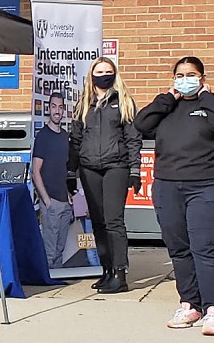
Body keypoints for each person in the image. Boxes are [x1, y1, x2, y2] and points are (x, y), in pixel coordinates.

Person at [134, 56, 214, 335]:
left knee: (204, 248)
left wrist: (206, 96)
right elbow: (142, 124)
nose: (185, 79)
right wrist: (168, 97)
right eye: (180, 74)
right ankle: (190, 304)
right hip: (168, 186)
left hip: (207, 186)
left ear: (202, 77)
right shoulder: (168, 107)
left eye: (191, 74)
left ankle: (213, 310)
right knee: (178, 248)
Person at [69, 56, 142, 294]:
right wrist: (71, 171)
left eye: (108, 71)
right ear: (92, 75)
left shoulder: (123, 101)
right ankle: (107, 270)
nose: (103, 75)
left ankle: (120, 274)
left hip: (116, 166)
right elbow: (75, 139)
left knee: (114, 221)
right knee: (97, 222)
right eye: (99, 71)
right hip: (89, 167)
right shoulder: (83, 104)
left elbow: (133, 138)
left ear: (114, 74)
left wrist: (135, 170)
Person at [32, 91, 74, 269]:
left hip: (65, 202)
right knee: (49, 253)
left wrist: (69, 196)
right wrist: (47, 201)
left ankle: (57, 286)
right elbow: (35, 172)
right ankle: (48, 290)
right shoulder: (43, 136)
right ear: (49, 109)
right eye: (54, 106)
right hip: (51, 202)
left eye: (60, 107)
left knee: (60, 251)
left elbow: (65, 169)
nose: (57, 110)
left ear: (64, 110)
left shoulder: (65, 137)